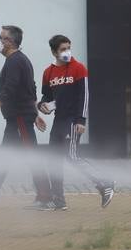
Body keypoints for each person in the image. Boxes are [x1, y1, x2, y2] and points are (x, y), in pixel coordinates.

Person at [0, 25, 52, 210]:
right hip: (19, 118)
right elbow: (31, 88)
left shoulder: (15, 61)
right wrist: (35, 113)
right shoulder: (18, 60)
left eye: (1, 39)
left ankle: (45, 198)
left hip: (19, 119)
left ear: (10, 42)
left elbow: (9, 90)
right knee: (5, 157)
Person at [38, 34, 115, 210]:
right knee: (53, 160)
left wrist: (81, 120)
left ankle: (105, 183)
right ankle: (58, 201)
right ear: (53, 52)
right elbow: (47, 97)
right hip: (58, 121)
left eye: (68, 48)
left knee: (72, 156)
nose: (67, 52)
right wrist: (41, 105)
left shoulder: (78, 68)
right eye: (62, 49)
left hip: (73, 121)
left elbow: (84, 96)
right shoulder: (48, 73)